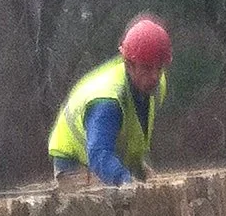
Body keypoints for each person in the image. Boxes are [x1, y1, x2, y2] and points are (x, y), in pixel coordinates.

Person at [48, 17, 172, 187]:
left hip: (114, 157)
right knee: (122, 203)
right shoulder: (107, 101)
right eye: (146, 68)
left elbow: (132, 133)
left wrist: (138, 173)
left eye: (159, 68)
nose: (154, 77)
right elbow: (99, 154)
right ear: (128, 65)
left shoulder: (156, 86)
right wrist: (127, 182)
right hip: (75, 165)